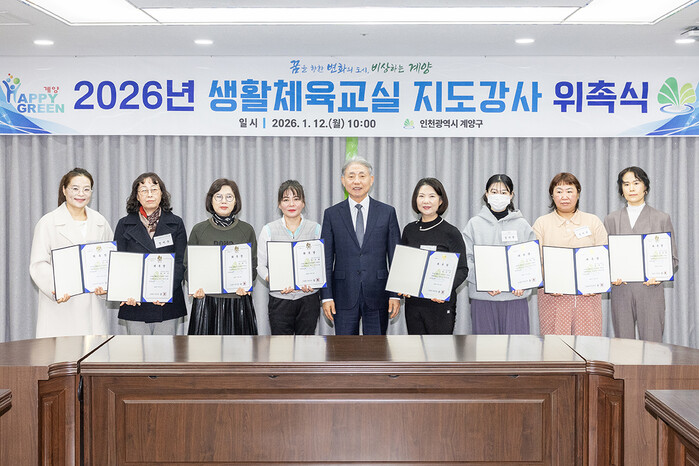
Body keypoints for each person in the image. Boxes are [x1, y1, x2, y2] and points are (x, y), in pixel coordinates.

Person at [320, 157, 401, 335]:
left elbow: (396, 256)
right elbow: (325, 259)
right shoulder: (332, 214)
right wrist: (326, 296)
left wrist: (395, 294)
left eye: (362, 176)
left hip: (379, 294)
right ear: (343, 181)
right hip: (343, 295)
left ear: (371, 180)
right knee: (344, 349)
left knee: (377, 348)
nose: (356, 181)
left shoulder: (387, 212)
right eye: (351, 176)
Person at [30, 168, 113, 337]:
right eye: (75, 188)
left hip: (92, 307)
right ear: (64, 190)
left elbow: (111, 260)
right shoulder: (48, 222)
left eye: (86, 189)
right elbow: (38, 264)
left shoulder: (100, 222)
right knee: (61, 351)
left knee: (92, 351)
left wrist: (106, 287)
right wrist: (56, 288)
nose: (81, 194)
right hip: (61, 306)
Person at [603, 166, 678, 342]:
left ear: (645, 187)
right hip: (621, 289)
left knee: (652, 343)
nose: (631, 188)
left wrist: (660, 275)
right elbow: (604, 256)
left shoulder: (661, 218)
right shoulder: (611, 219)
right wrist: (610, 275)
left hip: (650, 288)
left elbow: (672, 258)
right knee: (623, 343)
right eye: (626, 184)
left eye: (636, 183)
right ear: (621, 190)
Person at [533, 172, 607, 336]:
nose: (564, 196)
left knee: (588, 344)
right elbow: (535, 262)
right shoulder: (542, 223)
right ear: (552, 195)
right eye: (559, 191)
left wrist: (596, 284)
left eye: (569, 191)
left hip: (587, 296)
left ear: (578, 193)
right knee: (555, 345)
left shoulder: (593, 221)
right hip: (553, 296)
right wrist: (549, 283)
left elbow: (604, 258)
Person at [113, 172, 187, 335]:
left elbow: (181, 262)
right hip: (135, 301)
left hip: (167, 300)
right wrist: (126, 291)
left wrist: (166, 291)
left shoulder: (176, 223)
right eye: (144, 190)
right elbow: (119, 263)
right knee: (137, 350)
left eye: (154, 189)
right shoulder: (124, 224)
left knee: (165, 350)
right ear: (137, 196)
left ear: (162, 194)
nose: (149, 194)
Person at [463, 174, 536, 335]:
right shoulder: (474, 224)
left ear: (511, 195)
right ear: (486, 194)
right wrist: (484, 282)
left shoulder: (522, 225)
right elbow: (466, 260)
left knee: (517, 348)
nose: (498, 196)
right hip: (483, 298)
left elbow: (532, 260)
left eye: (504, 192)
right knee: (486, 348)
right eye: (494, 192)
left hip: (515, 298)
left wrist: (524, 283)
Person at [188, 178, 258, 335]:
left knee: (240, 349)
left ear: (236, 201)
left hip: (238, 301)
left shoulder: (246, 230)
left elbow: (253, 264)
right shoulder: (199, 230)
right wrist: (195, 286)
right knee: (204, 349)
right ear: (211, 200)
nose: (223, 201)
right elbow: (188, 265)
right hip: (206, 303)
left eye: (229, 197)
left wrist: (247, 283)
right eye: (218, 196)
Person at [400, 178, 468, 334]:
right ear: (415, 199)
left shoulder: (451, 232)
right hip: (414, 305)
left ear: (440, 201)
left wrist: (444, 290)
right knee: (415, 348)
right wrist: (402, 285)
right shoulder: (409, 230)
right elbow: (403, 265)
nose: (426, 201)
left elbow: (462, 269)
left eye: (432, 196)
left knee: (440, 349)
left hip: (440, 305)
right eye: (421, 196)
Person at [257, 180, 321, 334]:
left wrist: (315, 282)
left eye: (296, 199)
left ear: (303, 203)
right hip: (280, 300)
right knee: (281, 346)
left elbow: (322, 263)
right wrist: (274, 280)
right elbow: (260, 266)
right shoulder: (268, 230)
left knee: (306, 344)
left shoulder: (315, 229)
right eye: (286, 200)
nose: (291, 204)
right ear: (279, 204)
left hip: (309, 298)